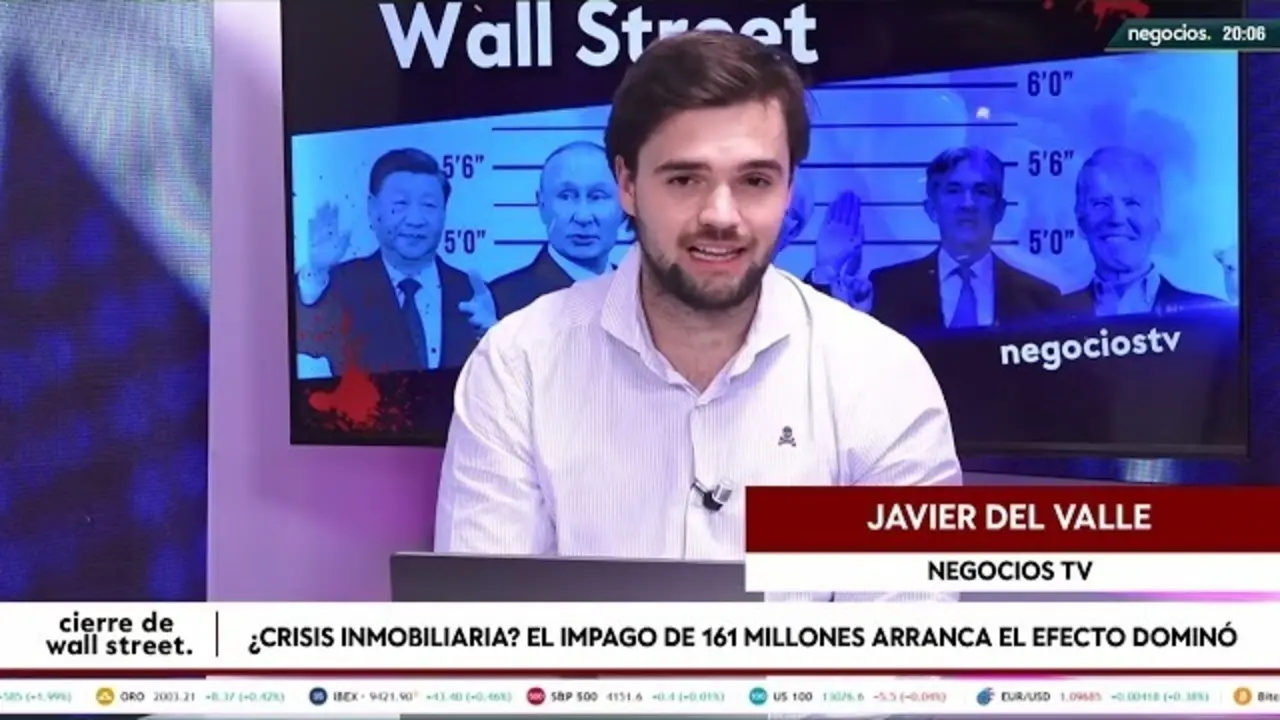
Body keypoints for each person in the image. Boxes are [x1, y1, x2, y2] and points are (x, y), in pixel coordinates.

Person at [436, 31, 960, 573]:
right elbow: (484, 619)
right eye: (685, 179)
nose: (721, 216)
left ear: (788, 190)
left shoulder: (882, 378)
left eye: (755, 180)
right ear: (627, 185)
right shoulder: (517, 367)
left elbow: (895, 624)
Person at [294, 149, 495, 376]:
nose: (415, 220)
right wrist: (315, 272)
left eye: (429, 205)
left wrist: (495, 336)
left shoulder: (472, 295)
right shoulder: (342, 286)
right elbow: (305, 341)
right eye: (400, 204)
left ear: (444, 212)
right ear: (373, 209)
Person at [868, 147, 1062, 332]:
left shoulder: (1042, 299)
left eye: (981, 191)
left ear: (1000, 210)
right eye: (954, 190)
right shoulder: (886, 289)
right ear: (932, 209)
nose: (968, 204)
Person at [1062, 147, 1222, 317]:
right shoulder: (1051, 319)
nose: (1117, 218)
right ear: (1080, 221)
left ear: (1158, 220)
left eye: (1132, 203)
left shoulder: (1212, 318)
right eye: (1101, 204)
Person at [490, 141, 624, 318]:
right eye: (566, 196)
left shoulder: (642, 295)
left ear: (625, 204)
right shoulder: (499, 304)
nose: (583, 217)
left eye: (597, 197)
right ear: (541, 204)